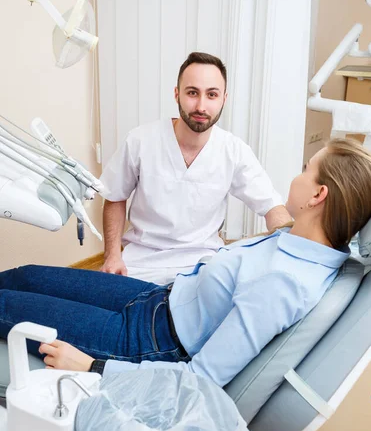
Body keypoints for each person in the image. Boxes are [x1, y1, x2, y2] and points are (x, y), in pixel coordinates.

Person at [0, 139, 371, 388]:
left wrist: (92, 367)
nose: (297, 176)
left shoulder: (284, 284)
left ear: (318, 195)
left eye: (306, 169)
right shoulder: (305, 241)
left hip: (144, 343)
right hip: (155, 300)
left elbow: (201, 378)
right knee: (26, 275)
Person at [100, 51, 290, 285]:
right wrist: (112, 256)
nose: (201, 106)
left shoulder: (233, 150)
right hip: (140, 262)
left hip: (204, 266)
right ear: (177, 94)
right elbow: (114, 197)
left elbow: (273, 207)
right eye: (192, 93)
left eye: (212, 95)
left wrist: (290, 249)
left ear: (224, 99)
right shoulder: (141, 140)